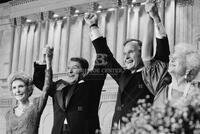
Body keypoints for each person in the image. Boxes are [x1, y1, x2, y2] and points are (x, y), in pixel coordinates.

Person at [84, 2, 171, 130]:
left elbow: (162, 48)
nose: (126, 57)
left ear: (141, 53)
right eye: (124, 54)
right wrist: (93, 26)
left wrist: (155, 18)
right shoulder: (123, 75)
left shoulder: (153, 72)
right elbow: (105, 55)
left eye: (131, 52)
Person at [33, 38, 107, 133]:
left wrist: (96, 34)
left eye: (75, 68)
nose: (70, 71)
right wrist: (45, 60)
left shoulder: (91, 85)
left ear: (84, 71)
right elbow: (40, 82)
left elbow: (102, 62)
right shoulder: (60, 86)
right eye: (68, 68)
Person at [142, 3, 200, 108]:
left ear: (189, 67)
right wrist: (154, 18)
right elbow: (146, 58)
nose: (171, 60)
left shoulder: (197, 91)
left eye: (176, 58)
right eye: (172, 58)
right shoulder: (160, 85)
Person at [5, 46, 53, 134]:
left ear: (28, 88)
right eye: (14, 88)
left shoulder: (36, 106)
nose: (17, 91)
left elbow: (47, 87)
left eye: (21, 86)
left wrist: (48, 62)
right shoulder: (9, 113)